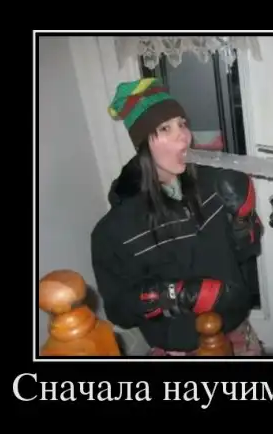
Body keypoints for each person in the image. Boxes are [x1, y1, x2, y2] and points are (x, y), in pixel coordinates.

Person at [90, 77, 264, 356]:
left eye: (182, 124)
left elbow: (246, 252)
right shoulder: (115, 230)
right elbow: (119, 311)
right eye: (165, 128)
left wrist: (244, 222)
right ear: (143, 143)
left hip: (235, 329)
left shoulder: (214, 185)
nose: (183, 136)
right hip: (179, 349)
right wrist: (174, 294)